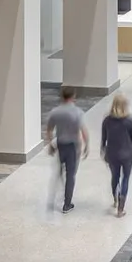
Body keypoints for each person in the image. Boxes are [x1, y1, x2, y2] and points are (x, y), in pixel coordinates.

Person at [45, 86, 89, 214]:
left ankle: (54, 195)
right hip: (73, 146)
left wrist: (50, 144)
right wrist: (87, 145)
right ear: (73, 97)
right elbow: (83, 131)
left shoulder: (55, 112)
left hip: (61, 144)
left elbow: (49, 130)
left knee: (59, 170)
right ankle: (67, 203)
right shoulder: (77, 112)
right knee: (71, 175)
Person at [101, 93, 132, 218]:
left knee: (115, 176)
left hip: (112, 154)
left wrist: (103, 151)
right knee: (125, 178)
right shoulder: (130, 120)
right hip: (127, 155)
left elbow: (104, 139)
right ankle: (121, 208)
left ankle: (115, 197)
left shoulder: (107, 120)